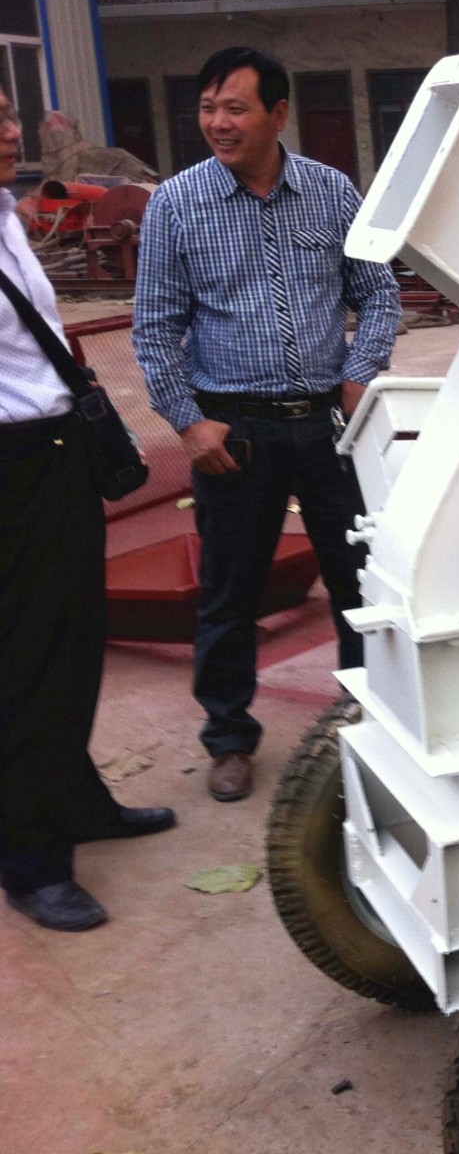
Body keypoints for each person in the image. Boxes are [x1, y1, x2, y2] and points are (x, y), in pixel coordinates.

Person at [134, 48, 401, 804]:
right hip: (235, 434)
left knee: (360, 581)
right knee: (229, 592)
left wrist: (360, 373)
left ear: (278, 114)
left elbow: (378, 293)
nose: (219, 123)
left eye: (236, 108)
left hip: (327, 428)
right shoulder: (177, 203)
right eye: (208, 108)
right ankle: (228, 738)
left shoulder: (331, 191)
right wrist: (189, 423)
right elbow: (154, 327)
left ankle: (364, 720)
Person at [0, 87, 176, 932]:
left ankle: (73, 801)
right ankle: (31, 860)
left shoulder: (6, 214)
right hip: (11, 468)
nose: (11, 132)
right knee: (27, 661)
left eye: (8, 115)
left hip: (57, 451)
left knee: (73, 639)